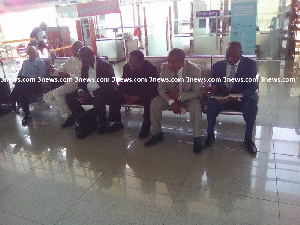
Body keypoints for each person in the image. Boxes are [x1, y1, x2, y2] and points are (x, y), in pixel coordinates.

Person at [203, 41, 258, 155]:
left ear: (241, 53)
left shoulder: (250, 65)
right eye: (227, 55)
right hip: (223, 98)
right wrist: (213, 89)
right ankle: (210, 135)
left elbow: (252, 86)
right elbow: (215, 84)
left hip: (241, 99)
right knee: (211, 103)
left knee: (252, 104)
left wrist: (238, 96)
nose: (230, 59)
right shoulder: (217, 66)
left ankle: (248, 139)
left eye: (234, 56)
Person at [144, 48, 203, 153]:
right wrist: (172, 102)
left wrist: (179, 96)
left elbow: (197, 92)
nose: (170, 64)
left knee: (195, 106)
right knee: (155, 103)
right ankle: (157, 133)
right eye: (169, 61)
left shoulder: (194, 70)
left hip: (187, 98)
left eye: (174, 62)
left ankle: (197, 137)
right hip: (169, 98)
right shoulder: (165, 68)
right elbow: (161, 89)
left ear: (182, 61)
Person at [64, 46, 123, 134]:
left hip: (103, 91)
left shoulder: (104, 65)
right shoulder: (85, 65)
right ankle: (84, 117)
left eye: (83, 58)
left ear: (91, 56)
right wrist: (80, 91)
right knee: (69, 97)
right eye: (80, 58)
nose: (81, 60)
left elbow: (109, 85)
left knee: (97, 100)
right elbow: (82, 80)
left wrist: (91, 94)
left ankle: (104, 122)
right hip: (88, 91)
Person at [116, 50, 158, 139]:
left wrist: (139, 96)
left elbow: (153, 87)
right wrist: (124, 93)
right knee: (115, 93)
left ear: (140, 62)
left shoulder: (151, 69)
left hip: (145, 93)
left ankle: (146, 127)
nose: (129, 64)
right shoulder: (126, 67)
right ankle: (117, 122)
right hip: (130, 92)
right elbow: (123, 82)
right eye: (129, 61)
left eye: (132, 62)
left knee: (150, 99)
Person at [1, 46, 47, 125]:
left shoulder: (41, 62)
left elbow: (41, 76)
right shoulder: (25, 62)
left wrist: (27, 77)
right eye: (30, 52)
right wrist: (20, 78)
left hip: (35, 84)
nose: (32, 54)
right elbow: (20, 73)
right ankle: (27, 115)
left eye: (34, 52)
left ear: (36, 53)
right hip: (24, 84)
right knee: (22, 89)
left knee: (21, 84)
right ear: (28, 53)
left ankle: (12, 101)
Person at [43, 41, 83, 127]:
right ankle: (70, 114)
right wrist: (53, 70)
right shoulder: (71, 59)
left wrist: (69, 75)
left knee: (57, 93)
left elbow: (83, 78)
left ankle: (70, 116)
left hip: (77, 85)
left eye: (75, 50)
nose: (73, 52)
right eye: (73, 49)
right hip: (67, 84)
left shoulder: (84, 61)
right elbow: (61, 69)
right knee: (46, 97)